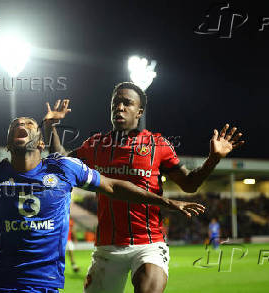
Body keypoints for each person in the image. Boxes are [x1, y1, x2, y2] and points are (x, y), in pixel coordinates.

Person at [0, 92, 204, 292]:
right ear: (8, 141)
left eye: (29, 124)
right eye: (15, 125)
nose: (21, 126)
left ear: (40, 140)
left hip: (38, 286)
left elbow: (115, 186)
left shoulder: (63, 168)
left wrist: (166, 201)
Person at [42, 82, 244, 293]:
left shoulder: (159, 145)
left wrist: (213, 159)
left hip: (149, 245)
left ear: (139, 111)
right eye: (115, 104)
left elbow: (190, 184)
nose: (119, 108)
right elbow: (63, 164)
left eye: (126, 103)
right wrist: (51, 128)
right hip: (107, 247)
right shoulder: (95, 145)